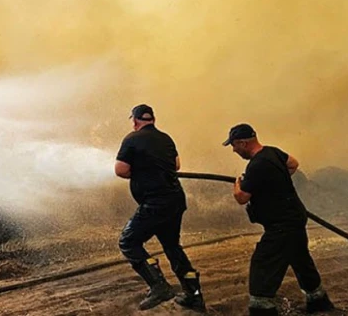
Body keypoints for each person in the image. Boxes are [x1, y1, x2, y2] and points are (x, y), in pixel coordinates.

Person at [222, 123, 335, 316]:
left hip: (281, 225)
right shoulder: (273, 152)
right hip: (295, 218)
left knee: (263, 265)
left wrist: (237, 185)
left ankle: (261, 309)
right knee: (299, 259)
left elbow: (242, 198)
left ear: (243, 143)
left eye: (234, 145)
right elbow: (293, 164)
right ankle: (318, 302)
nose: (233, 150)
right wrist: (274, 182)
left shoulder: (256, 166)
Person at [115, 104, 206, 312]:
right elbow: (176, 165)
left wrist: (140, 171)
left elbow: (120, 170)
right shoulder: (166, 138)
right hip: (175, 201)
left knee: (128, 242)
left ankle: (158, 286)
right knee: (172, 246)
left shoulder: (131, 139)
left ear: (136, 121)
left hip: (155, 204)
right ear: (153, 120)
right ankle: (193, 295)